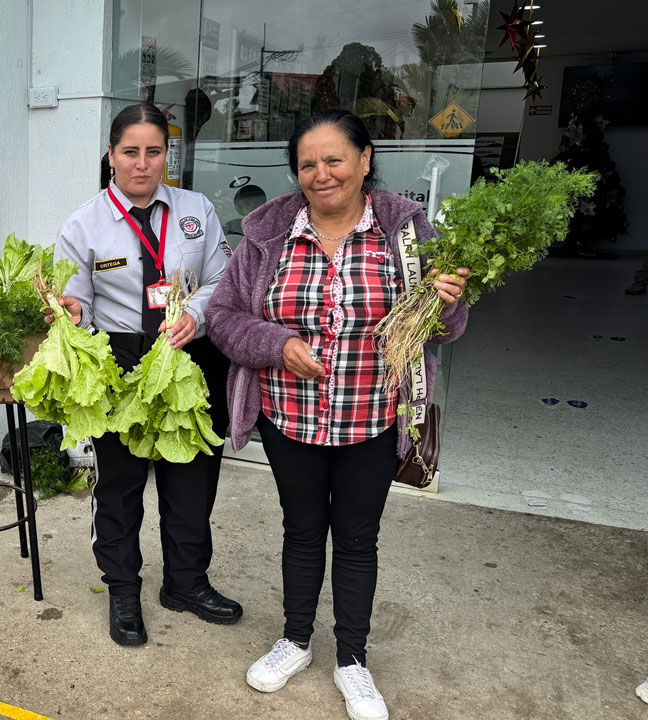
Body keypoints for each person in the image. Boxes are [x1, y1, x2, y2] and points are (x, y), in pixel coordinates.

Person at [206, 109, 470, 720]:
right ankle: (295, 640)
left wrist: (450, 301)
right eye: (308, 164)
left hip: (372, 420)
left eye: (334, 159)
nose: (321, 174)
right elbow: (222, 317)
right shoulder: (267, 234)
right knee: (301, 531)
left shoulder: (405, 233)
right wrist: (277, 345)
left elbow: (446, 329)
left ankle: (352, 659)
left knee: (356, 538)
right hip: (290, 418)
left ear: (365, 159)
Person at [53, 102, 238, 647]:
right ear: (111, 156)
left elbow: (222, 280)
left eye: (153, 152)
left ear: (166, 156)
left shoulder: (196, 210)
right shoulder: (83, 224)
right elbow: (78, 301)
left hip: (188, 355)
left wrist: (196, 315)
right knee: (120, 484)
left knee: (192, 479)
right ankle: (122, 589)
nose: (142, 163)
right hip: (122, 359)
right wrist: (71, 313)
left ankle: (186, 583)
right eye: (130, 152)